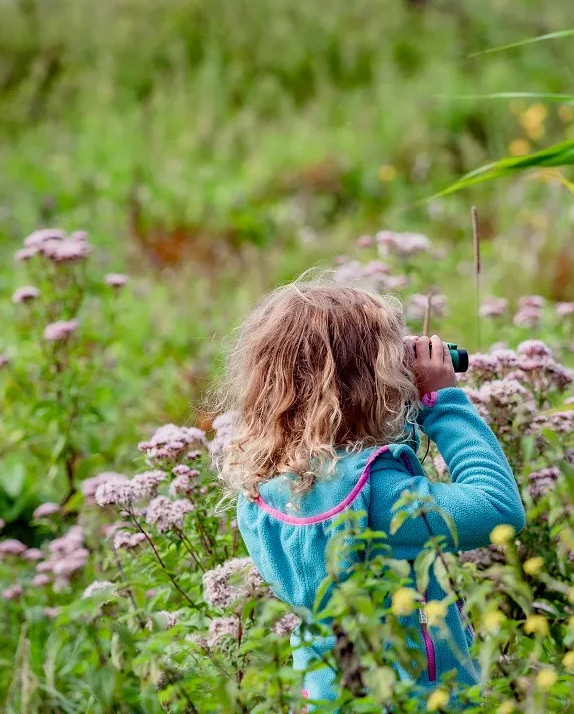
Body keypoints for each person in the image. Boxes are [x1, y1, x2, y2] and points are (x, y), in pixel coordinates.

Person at [215, 275, 526, 708]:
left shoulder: (260, 494)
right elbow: (498, 508)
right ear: (371, 386)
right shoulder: (376, 496)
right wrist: (444, 400)